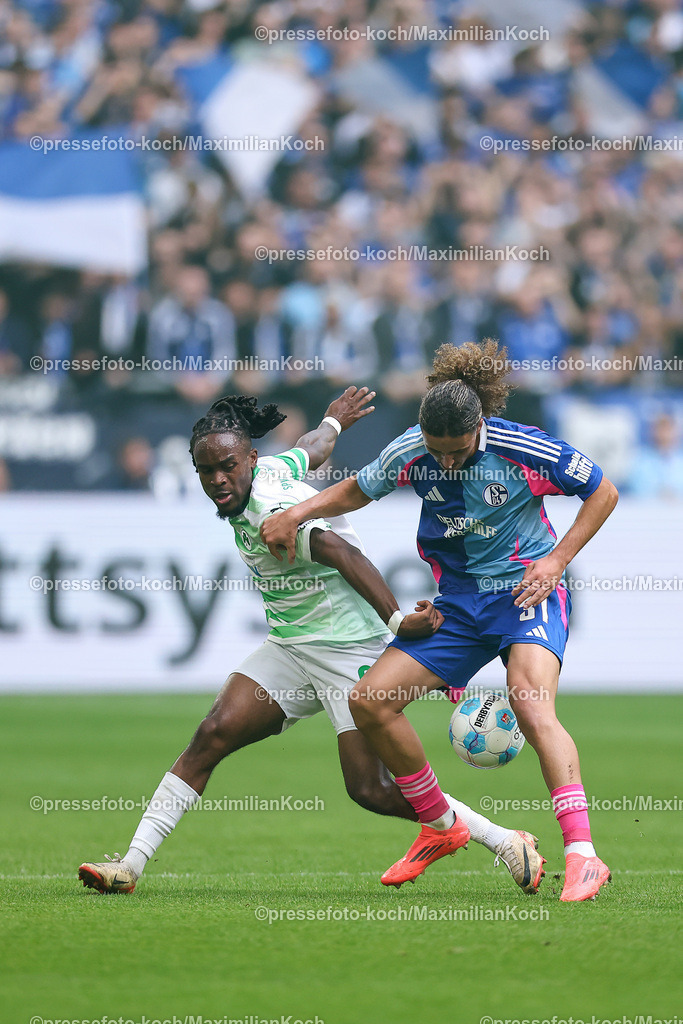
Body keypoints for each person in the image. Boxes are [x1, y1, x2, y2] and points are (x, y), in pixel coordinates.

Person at [78, 386, 541, 894]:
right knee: (212, 734)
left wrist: (395, 622)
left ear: (248, 459)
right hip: (291, 647)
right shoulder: (271, 469)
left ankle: (502, 839)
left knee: (369, 790)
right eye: (206, 470)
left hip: (349, 651)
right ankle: (130, 865)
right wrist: (335, 421)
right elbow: (312, 448)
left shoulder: (267, 510)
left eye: (227, 466)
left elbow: (342, 552)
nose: (218, 480)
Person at [262, 340, 620, 903]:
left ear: (479, 426)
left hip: (526, 591)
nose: (446, 462)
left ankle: (583, 856)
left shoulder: (524, 446)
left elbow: (603, 490)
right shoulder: (412, 449)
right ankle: (438, 825)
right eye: (438, 451)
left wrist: (555, 562)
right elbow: (359, 489)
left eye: (457, 451)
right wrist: (298, 510)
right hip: (458, 602)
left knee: (529, 701)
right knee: (369, 702)